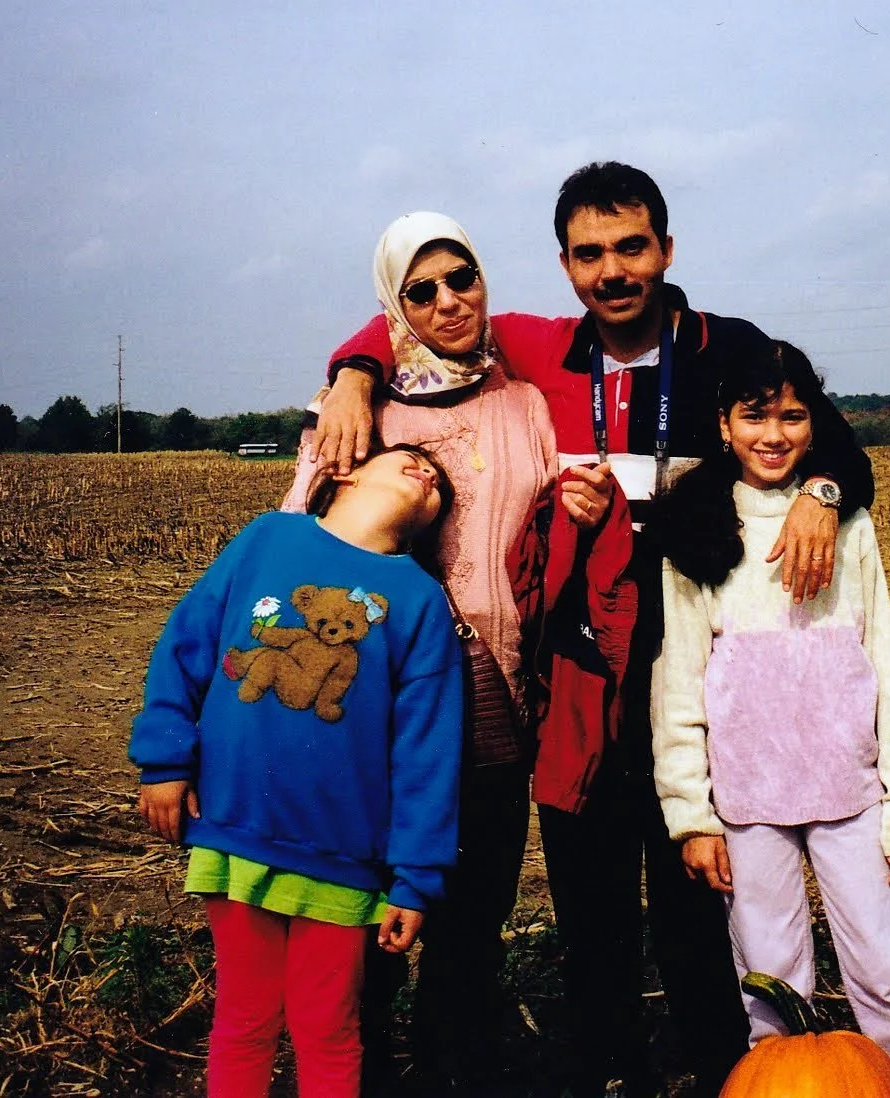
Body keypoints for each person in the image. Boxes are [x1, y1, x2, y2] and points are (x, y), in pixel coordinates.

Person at [310, 163, 874, 1098]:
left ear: (666, 249)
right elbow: (413, 310)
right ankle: (607, 1068)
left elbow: (837, 440)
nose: (612, 271)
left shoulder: (727, 348)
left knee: (696, 877)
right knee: (587, 882)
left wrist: (818, 492)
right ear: (566, 266)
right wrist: (352, 376)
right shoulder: (543, 346)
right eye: (589, 254)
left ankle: (721, 1063)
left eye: (631, 248)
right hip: (582, 662)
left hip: (703, 658)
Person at [284, 212, 637, 1095]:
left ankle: (452, 1067)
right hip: (376, 707)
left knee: (472, 915)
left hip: (492, 702)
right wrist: (352, 380)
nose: (450, 301)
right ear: (394, 307)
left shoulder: (524, 404)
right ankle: (352, 1070)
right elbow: (299, 551)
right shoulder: (353, 414)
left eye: (463, 278)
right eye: (422, 290)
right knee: (368, 915)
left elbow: (554, 529)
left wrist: (580, 511)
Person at [650, 342, 890, 1098]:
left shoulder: (846, 526)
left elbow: (885, 666)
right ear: (723, 425)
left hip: (850, 795)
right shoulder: (694, 528)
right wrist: (692, 814)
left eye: (793, 416)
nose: (773, 434)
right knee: (770, 982)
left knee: (888, 974)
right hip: (747, 805)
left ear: (814, 427)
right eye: (754, 415)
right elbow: (678, 685)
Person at [129, 443, 464, 1098]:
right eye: (410, 459)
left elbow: (428, 747)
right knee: (245, 1017)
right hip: (233, 828)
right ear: (343, 473)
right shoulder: (267, 539)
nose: (428, 473)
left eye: (440, 485)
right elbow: (187, 642)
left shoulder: (419, 600)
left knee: (326, 1025)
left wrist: (416, 877)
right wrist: (165, 757)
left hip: (342, 857)